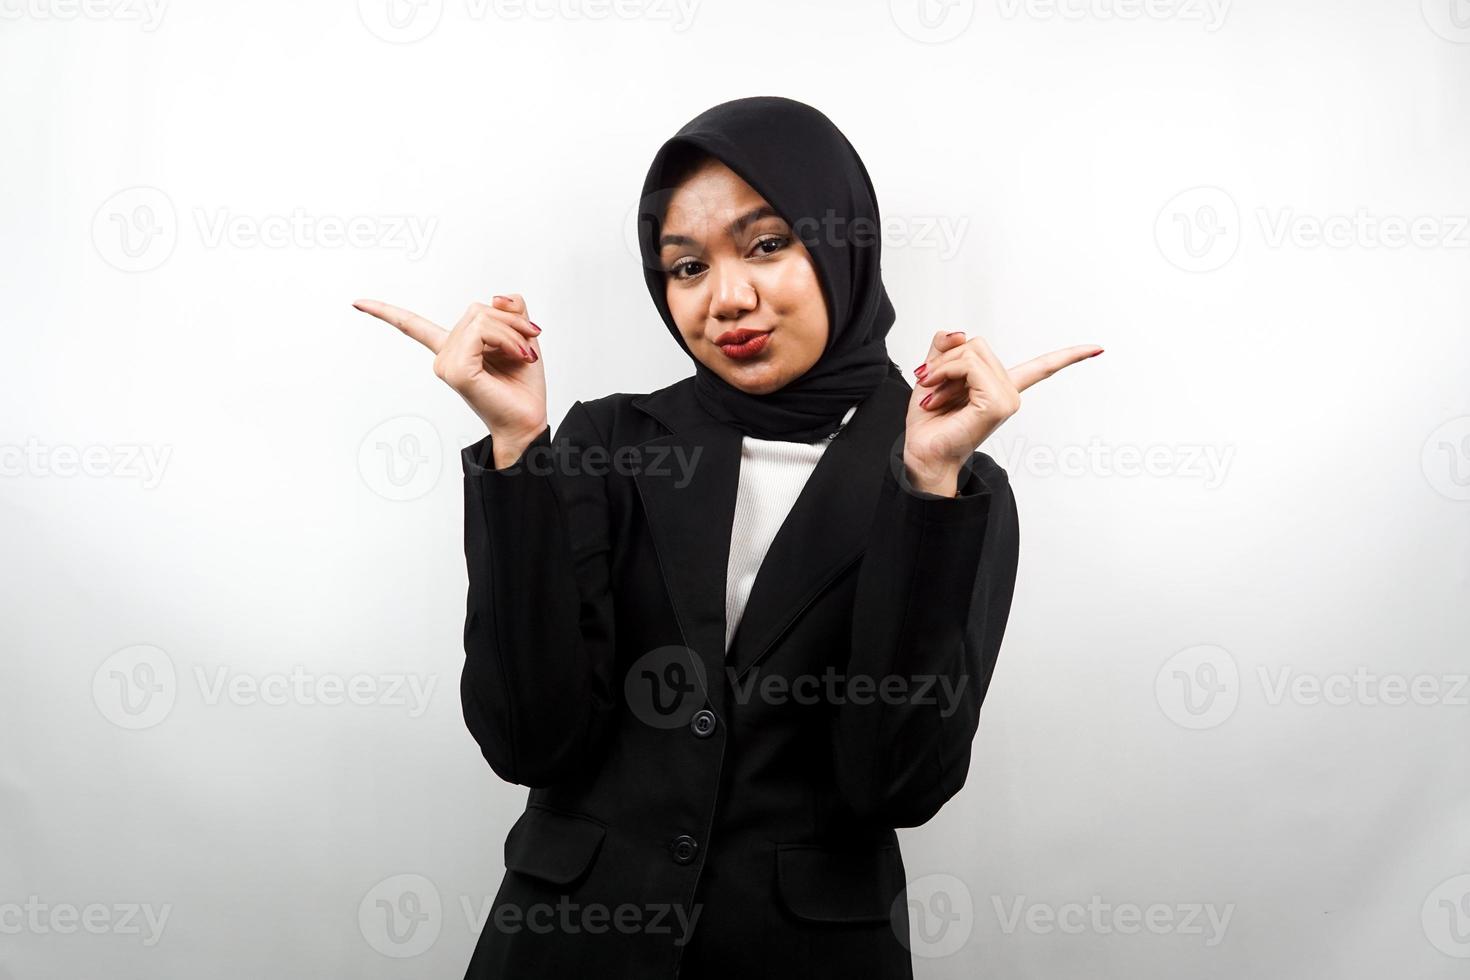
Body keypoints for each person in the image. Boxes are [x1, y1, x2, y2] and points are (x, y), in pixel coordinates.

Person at [354, 95, 1101, 979]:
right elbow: (529, 742)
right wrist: (519, 454)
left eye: (768, 244)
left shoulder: (952, 482)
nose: (727, 299)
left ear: (842, 245)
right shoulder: (609, 445)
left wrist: (926, 488)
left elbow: (895, 785)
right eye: (685, 267)